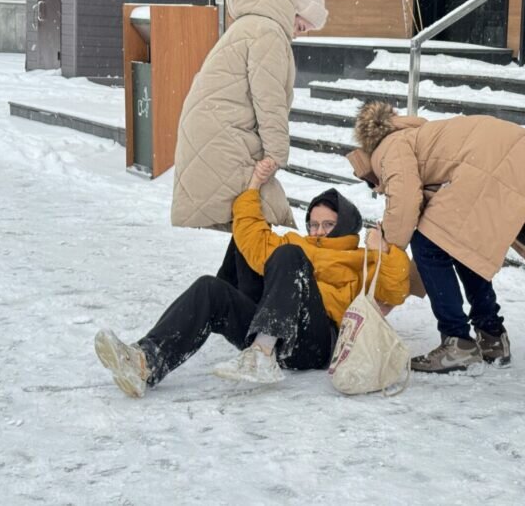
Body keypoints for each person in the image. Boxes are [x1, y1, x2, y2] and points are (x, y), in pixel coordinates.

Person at [95, 161, 411, 398]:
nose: (317, 231)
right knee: (212, 286)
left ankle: (262, 353)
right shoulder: (296, 243)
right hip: (280, 331)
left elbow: (394, 291)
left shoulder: (359, 258)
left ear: (345, 226)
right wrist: (253, 186)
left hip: (317, 342)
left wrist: (384, 249)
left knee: (289, 256)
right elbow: (251, 238)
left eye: (327, 225)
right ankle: (145, 362)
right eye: (313, 224)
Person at [346, 101, 525, 374]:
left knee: (427, 245)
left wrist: (389, 249)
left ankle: (457, 342)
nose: (379, 190)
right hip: (516, 161)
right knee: (461, 245)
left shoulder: (388, 148)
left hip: (494, 166)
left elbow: (405, 200)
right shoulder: (415, 135)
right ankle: (492, 336)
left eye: (375, 184)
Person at [170, 0, 328, 232]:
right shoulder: (268, 33)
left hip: (214, 131)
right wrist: (276, 154)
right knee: (257, 218)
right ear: (292, 8)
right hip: (224, 134)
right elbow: (269, 100)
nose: (300, 33)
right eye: (302, 25)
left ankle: (232, 275)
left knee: (248, 222)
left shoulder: (251, 26)